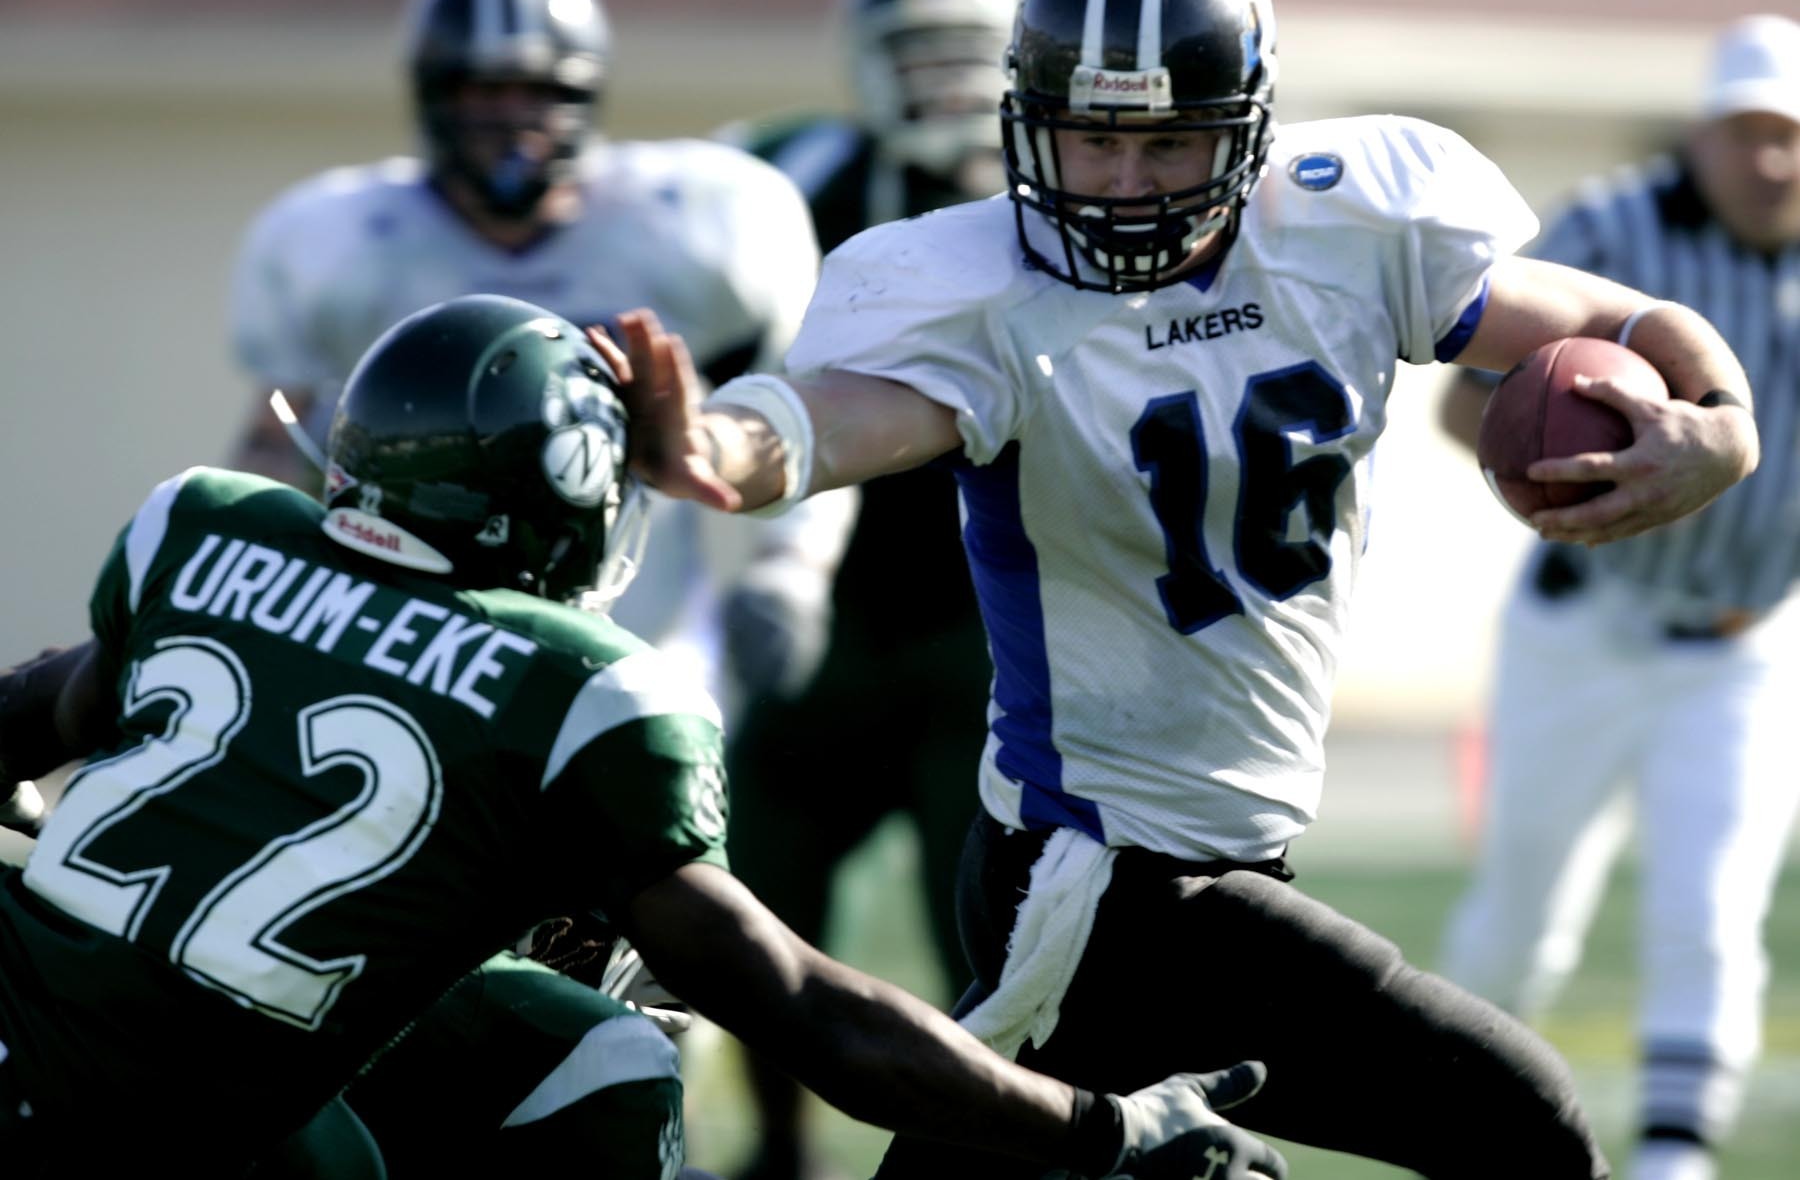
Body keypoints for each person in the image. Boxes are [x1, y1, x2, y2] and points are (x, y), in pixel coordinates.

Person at [606, 0, 1764, 1176]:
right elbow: (833, 419)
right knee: (1518, 1122)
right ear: (1027, 125)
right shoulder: (982, 292)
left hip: (1211, 854)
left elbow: (1615, 317)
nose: (1124, 182)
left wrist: (1723, 427)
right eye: (1093, 139)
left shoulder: (1344, 224)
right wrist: (717, 443)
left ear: (1252, 130)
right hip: (1095, 878)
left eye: (1170, 142)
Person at [0, 293, 1289, 1180]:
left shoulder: (212, 528)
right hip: (165, 1130)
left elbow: (41, 707)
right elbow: (807, 1011)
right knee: (611, 1044)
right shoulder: (584, 690)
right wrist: (1098, 1128)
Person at [226, 0, 849, 707]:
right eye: (481, 92)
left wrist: (790, 570)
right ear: (434, 95)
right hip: (414, 646)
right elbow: (276, 447)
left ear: (583, 95)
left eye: (533, 90)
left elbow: (794, 406)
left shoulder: (692, 225)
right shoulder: (346, 243)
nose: (508, 119)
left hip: (636, 647)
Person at [1437, 14, 1800, 1180]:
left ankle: (1671, 1162)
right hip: (1585, 625)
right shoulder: (1612, 227)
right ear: (1702, 134)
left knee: (1712, 911)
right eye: (1749, 133)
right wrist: (1550, 461)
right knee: (1520, 918)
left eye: (1791, 135)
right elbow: (1465, 403)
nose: (1772, 160)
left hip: (1746, 641)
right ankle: (1463, 1123)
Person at [711, 0, 1017, 1176]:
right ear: (862, 63)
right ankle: (779, 1147)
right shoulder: (780, 178)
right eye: (915, 53)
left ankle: (995, 1145)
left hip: (989, 633)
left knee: (994, 941)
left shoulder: (1058, 208)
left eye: (965, 54)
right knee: (748, 893)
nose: (942, 82)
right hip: (826, 616)